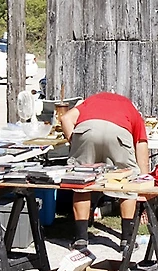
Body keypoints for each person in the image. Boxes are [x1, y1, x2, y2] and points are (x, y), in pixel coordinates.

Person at [58, 91, 150, 251]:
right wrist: (143, 180)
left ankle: (81, 240)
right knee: (127, 182)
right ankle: (127, 241)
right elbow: (141, 143)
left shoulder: (90, 100)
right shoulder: (130, 107)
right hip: (119, 134)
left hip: (86, 131)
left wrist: (76, 144)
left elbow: (65, 119)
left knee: (81, 182)